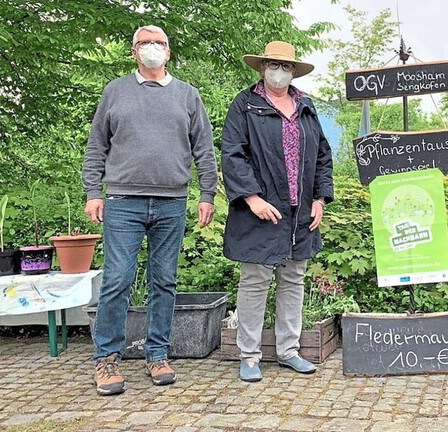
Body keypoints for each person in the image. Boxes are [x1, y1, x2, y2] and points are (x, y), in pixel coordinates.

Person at [82, 25, 218, 395]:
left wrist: (208, 193)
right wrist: (93, 192)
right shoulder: (115, 92)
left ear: (169, 52)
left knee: (164, 281)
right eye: (145, 43)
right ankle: (106, 359)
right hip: (123, 201)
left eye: (159, 43)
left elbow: (204, 148)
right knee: (117, 280)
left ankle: (157, 353)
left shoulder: (187, 95)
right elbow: (96, 146)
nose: (152, 48)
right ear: (134, 52)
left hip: (172, 202)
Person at [221, 41, 333, 382]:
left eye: (286, 67)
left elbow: (323, 157)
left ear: (294, 72)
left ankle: (289, 351)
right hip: (260, 210)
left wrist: (320, 199)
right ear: (261, 67)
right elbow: (232, 153)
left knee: (293, 278)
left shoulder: (307, 107)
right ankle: (250, 355)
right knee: (255, 280)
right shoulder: (245, 104)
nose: (279, 71)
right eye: (273, 65)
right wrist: (251, 198)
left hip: (301, 212)